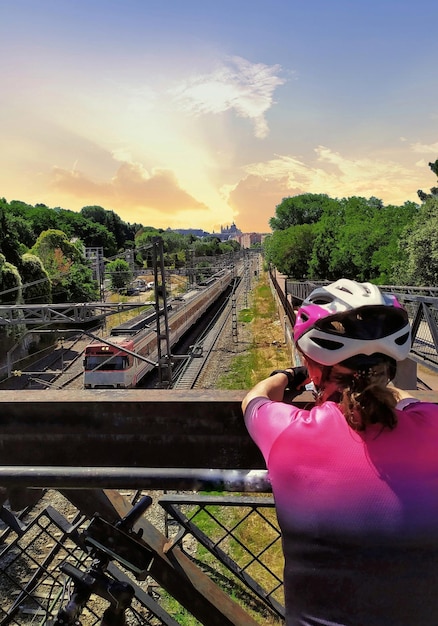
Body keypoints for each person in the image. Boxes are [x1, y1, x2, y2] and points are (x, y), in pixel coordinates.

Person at [242, 279, 438, 626]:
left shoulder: (288, 432)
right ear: (391, 366)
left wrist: (290, 375)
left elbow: (255, 399)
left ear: (316, 367)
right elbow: (411, 403)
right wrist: (384, 389)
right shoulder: (431, 427)